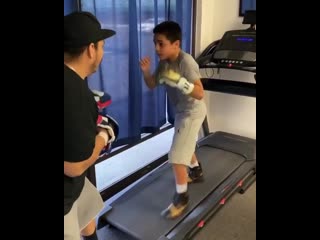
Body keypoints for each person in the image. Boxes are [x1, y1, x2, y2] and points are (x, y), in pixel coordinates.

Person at [140, 21, 207, 219]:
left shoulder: (186, 63)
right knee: (185, 144)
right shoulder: (163, 64)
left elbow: (200, 93)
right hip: (181, 111)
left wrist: (179, 81)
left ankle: (182, 198)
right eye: (155, 43)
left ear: (176, 44)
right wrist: (145, 72)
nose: (156, 48)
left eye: (161, 43)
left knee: (177, 156)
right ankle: (196, 171)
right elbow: (152, 84)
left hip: (193, 111)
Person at [64, 11, 116, 240]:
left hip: (75, 185)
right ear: (91, 49)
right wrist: (105, 135)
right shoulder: (76, 94)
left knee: (89, 206)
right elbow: (74, 167)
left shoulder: (74, 82)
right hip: (65, 192)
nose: (102, 53)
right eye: (102, 46)